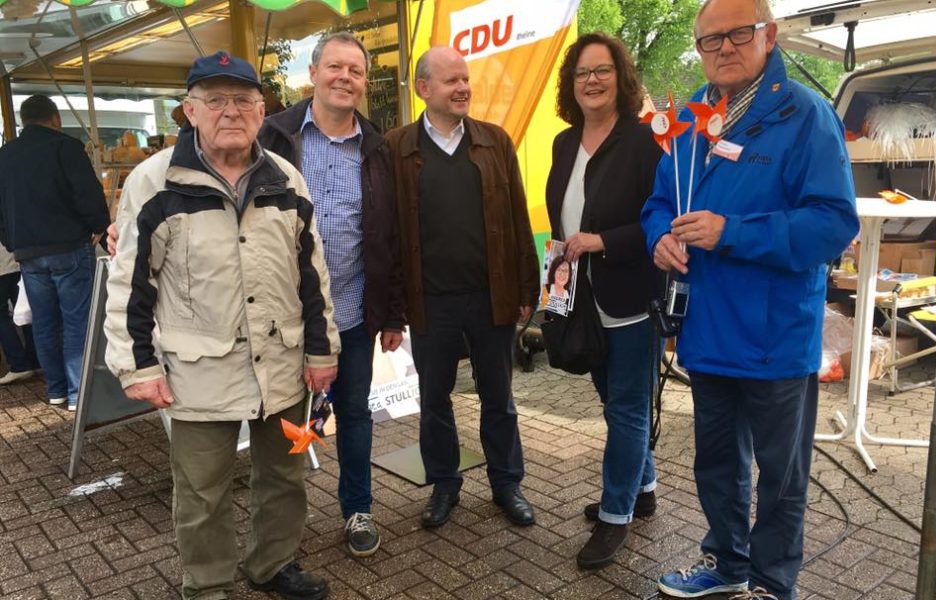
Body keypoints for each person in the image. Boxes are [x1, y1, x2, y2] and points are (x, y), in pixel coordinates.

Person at [640, 1, 859, 598]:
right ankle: (727, 565)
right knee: (715, 463)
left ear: (769, 34)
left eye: (739, 33)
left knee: (781, 476)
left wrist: (731, 232)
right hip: (706, 328)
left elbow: (834, 223)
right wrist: (659, 237)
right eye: (711, 40)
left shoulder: (805, 115)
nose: (725, 48)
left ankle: (771, 582)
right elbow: (659, 201)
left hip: (774, 335)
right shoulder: (689, 118)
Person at [104, 51, 340, 600]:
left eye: (243, 100)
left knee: (283, 477)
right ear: (189, 110)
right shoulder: (154, 182)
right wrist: (136, 366)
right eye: (215, 100)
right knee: (202, 490)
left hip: (281, 364)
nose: (230, 111)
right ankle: (207, 585)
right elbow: (129, 285)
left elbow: (312, 273)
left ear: (262, 111)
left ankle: (272, 564)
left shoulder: (285, 179)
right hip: (197, 371)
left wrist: (322, 353)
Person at [258, 32, 404, 558]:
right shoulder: (272, 136)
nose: (346, 78)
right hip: (284, 316)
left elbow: (391, 234)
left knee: (356, 417)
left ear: (365, 83)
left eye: (356, 71)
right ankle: (279, 532)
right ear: (314, 73)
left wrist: (392, 313)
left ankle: (357, 510)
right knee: (280, 422)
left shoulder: (377, 146)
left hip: (355, 310)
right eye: (335, 67)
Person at [385, 46, 540, 529]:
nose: (463, 88)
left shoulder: (495, 142)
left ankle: (506, 483)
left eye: (466, 79)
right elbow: (389, 230)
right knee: (434, 400)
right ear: (423, 88)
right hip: (430, 301)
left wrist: (526, 289)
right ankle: (444, 486)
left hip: (490, 296)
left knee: (499, 396)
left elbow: (517, 216)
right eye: (451, 80)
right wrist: (394, 305)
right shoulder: (397, 147)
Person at [545, 33, 663, 570]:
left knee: (627, 407)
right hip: (580, 296)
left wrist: (602, 241)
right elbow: (560, 219)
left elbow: (660, 225)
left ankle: (616, 517)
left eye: (602, 70)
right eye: (581, 73)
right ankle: (644, 487)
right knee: (612, 398)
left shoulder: (643, 143)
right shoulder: (563, 143)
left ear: (621, 76)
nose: (591, 81)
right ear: (571, 85)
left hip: (631, 297)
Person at [0, 94, 110, 410]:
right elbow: (87, 193)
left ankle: (57, 390)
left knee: (44, 322)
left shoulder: (4, 156)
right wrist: (100, 228)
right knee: (77, 321)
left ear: (23, 121)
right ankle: (78, 393)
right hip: (69, 245)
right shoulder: (66, 147)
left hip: (28, 251)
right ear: (55, 118)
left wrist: (11, 242)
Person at [0, 241, 39, 384]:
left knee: (2, 315)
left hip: (3, 264)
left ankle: (19, 364)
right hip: (17, 258)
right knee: (25, 311)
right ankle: (36, 360)